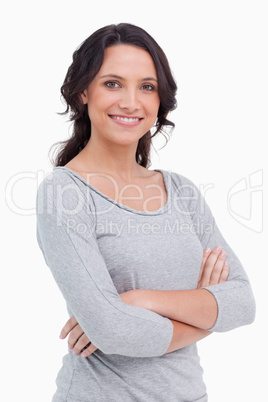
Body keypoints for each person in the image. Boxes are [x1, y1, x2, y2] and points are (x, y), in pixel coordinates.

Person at [36, 23, 256, 402]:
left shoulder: (182, 191)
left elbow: (242, 302)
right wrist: (205, 315)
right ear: (83, 91)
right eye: (113, 83)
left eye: (147, 86)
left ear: (159, 100)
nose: (131, 102)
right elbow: (115, 331)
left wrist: (140, 299)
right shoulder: (65, 193)